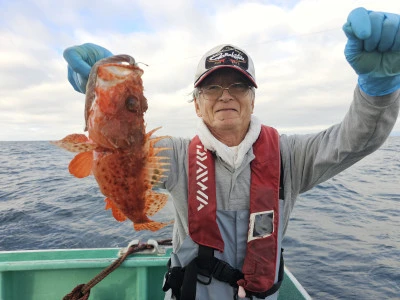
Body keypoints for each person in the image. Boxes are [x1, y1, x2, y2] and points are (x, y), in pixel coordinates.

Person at [63, 7, 399, 300]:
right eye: (212, 87)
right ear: (196, 104)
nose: (225, 96)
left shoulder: (289, 156)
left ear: (253, 99)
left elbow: (355, 140)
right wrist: (102, 95)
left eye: (238, 86)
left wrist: (378, 90)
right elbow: (120, 154)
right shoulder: (175, 155)